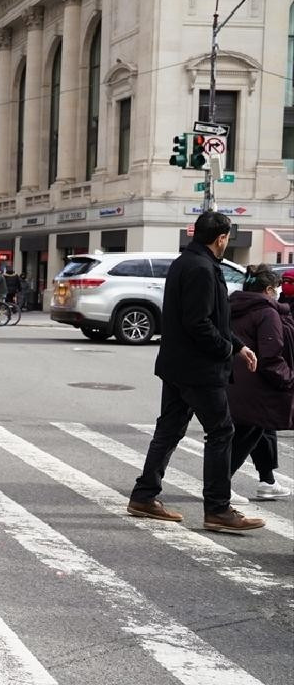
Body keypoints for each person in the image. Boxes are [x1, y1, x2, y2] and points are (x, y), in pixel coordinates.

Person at [127, 211, 264, 532]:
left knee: (170, 429)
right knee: (222, 432)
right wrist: (226, 349)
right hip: (198, 369)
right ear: (220, 238)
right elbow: (199, 323)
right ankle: (218, 508)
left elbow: (213, 319)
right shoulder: (201, 268)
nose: (227, 242)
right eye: (227, 238)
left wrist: (239, 345)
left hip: (178, 365)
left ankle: (144, 495)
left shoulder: (188, 262)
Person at [226, 264, 293, 500]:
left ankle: (267, 480)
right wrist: (288, 379)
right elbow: (271, 356)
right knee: (245, 434)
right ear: (267, 289)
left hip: (233, 381)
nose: (277, 293)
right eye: (275, 289)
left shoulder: (232, 306)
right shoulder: (267, 312)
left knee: (254, 431)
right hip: (256, 385)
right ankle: (220, 487)